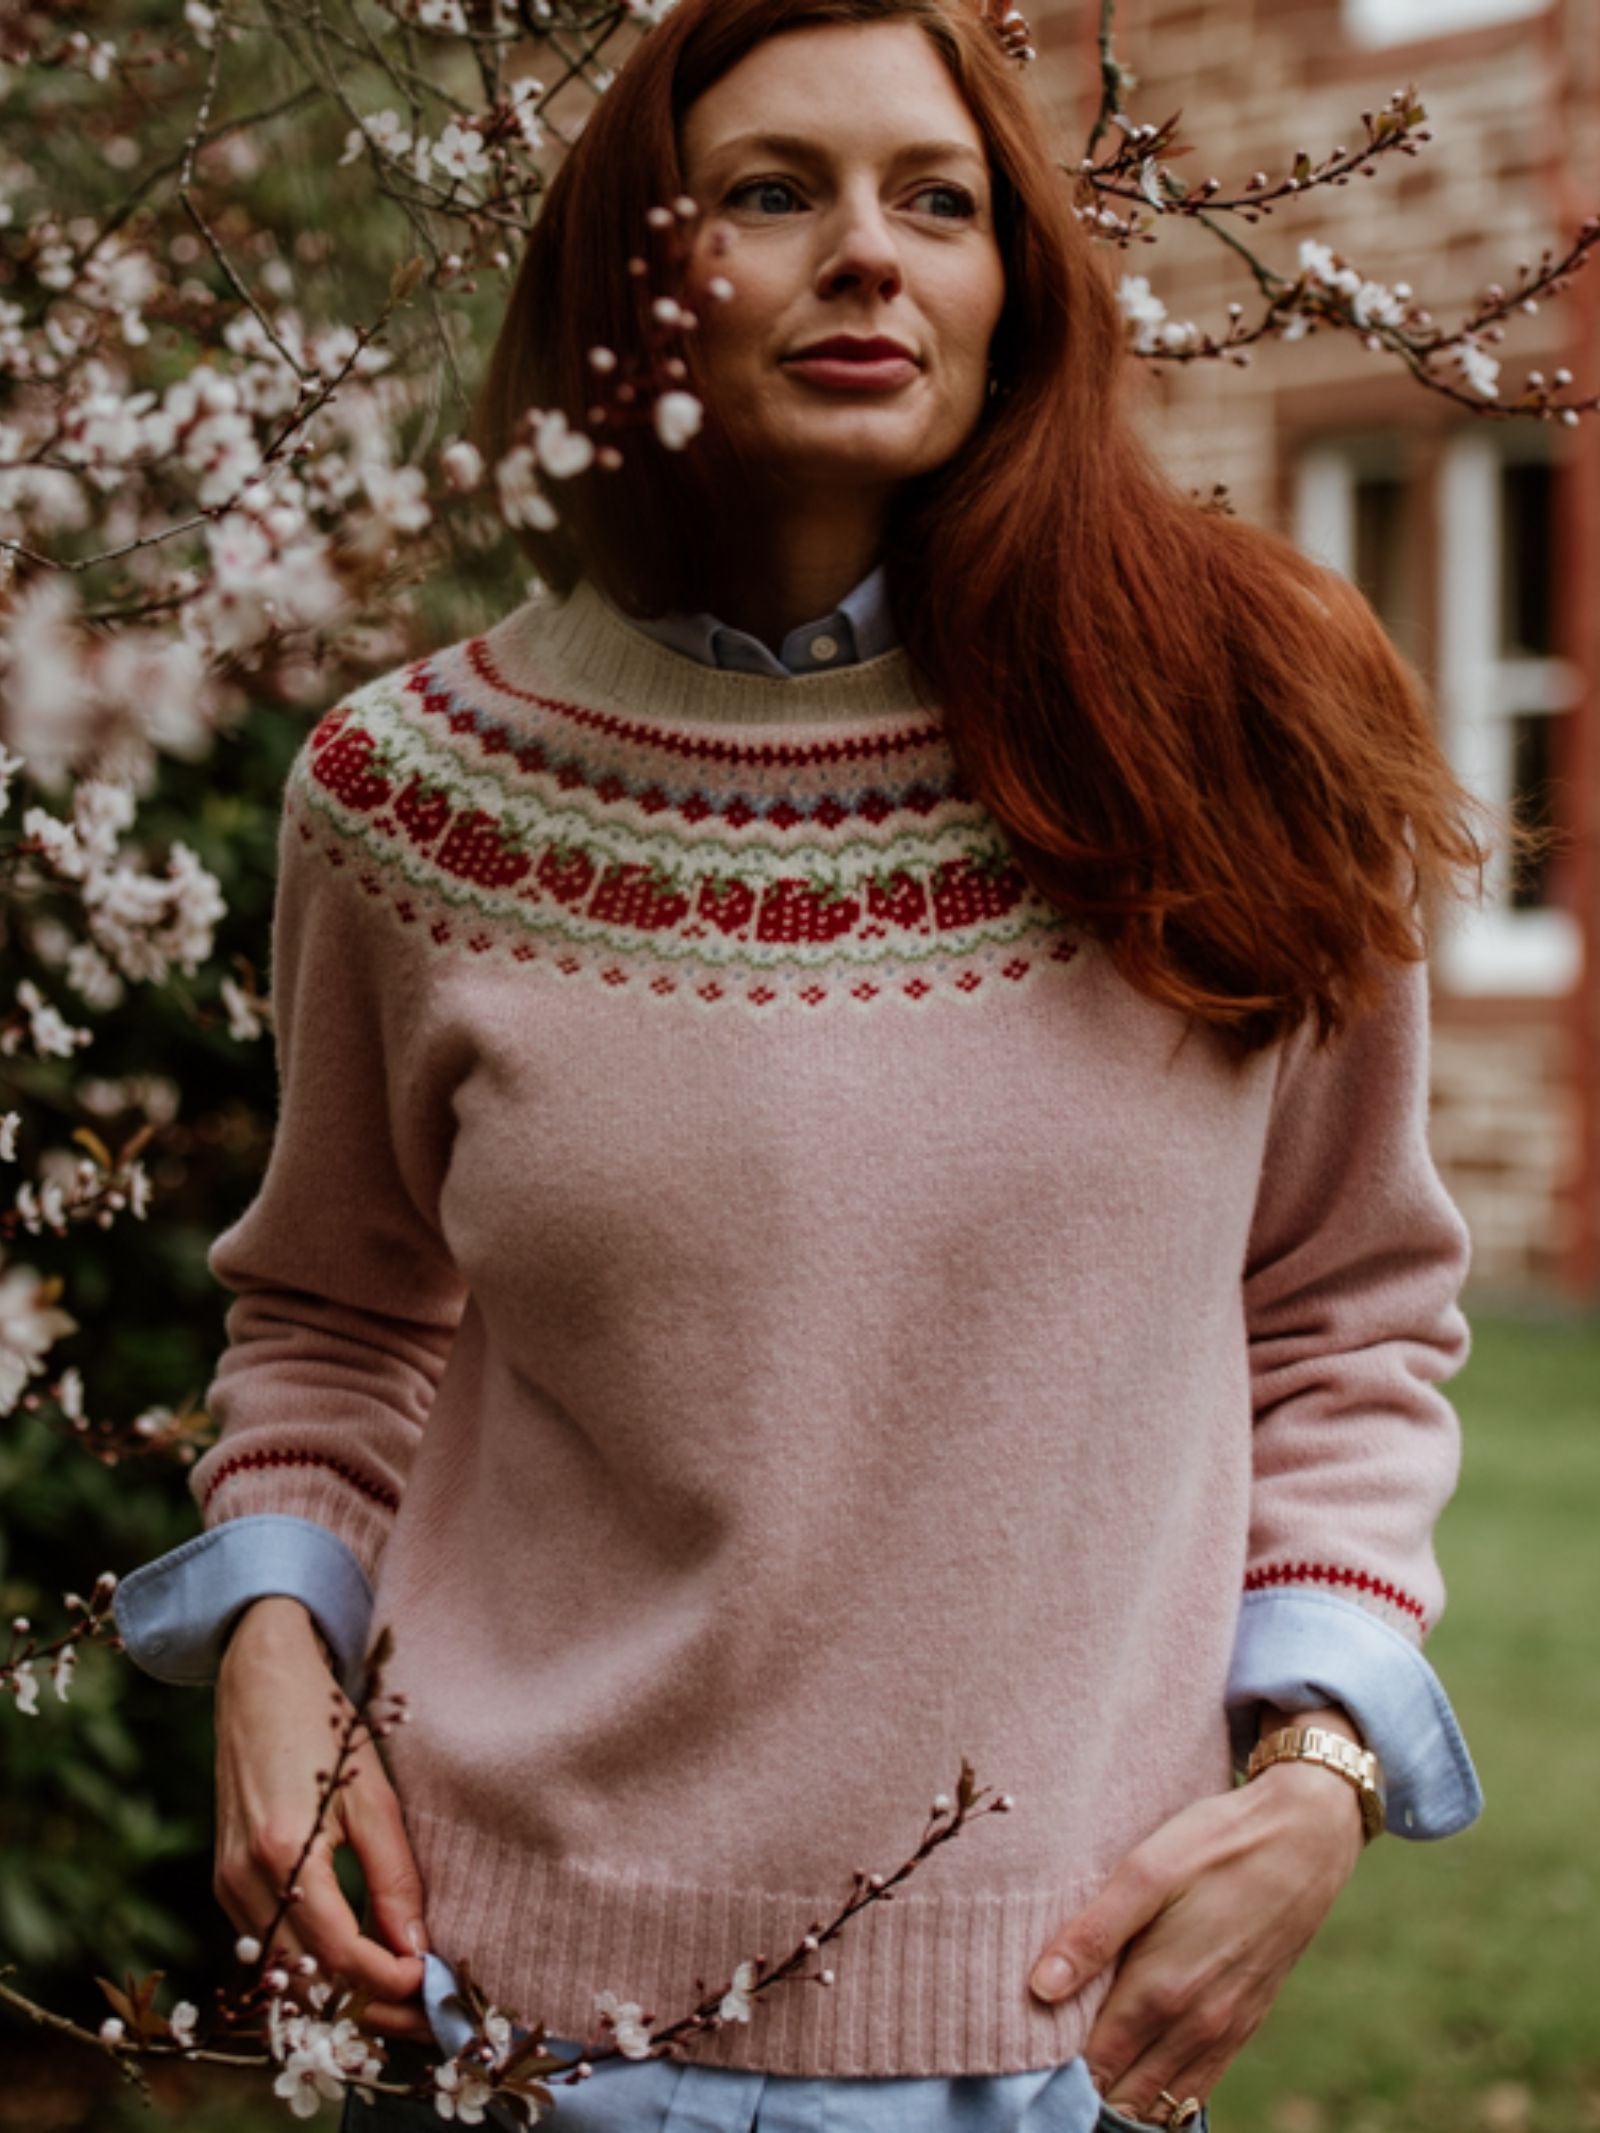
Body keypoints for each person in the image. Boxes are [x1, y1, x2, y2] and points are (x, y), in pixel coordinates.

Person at [112, 1, 1490, 2128]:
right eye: (774, 192)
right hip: (503, 2017)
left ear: (1009, 280)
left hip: (1049, 2021)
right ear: (626, 282)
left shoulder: (1232, 720)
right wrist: (276, 1647)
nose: (870, 254)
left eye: (934, 200)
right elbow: (331, 1313)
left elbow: (1346, 1310)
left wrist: (1315, 1762)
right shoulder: (402, 797)